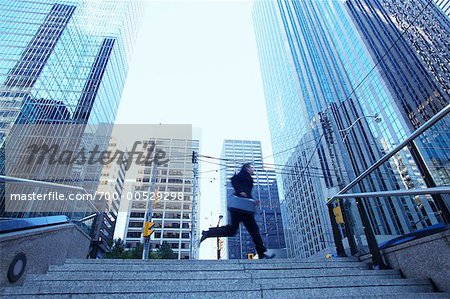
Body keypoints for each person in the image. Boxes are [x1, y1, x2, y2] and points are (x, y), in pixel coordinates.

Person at [199, 163, 275, 259]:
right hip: (242, 208)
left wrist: (252, 200)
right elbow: (234, 180)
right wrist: (240, 191)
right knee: (254, 230)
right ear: (247, 168)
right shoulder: (244, 175)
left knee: (232, 230)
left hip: (239, 207)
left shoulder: (246, 177)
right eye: (252, 168)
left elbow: (245, 191)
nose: (253, 170)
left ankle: (209, 233)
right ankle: (262, 252)